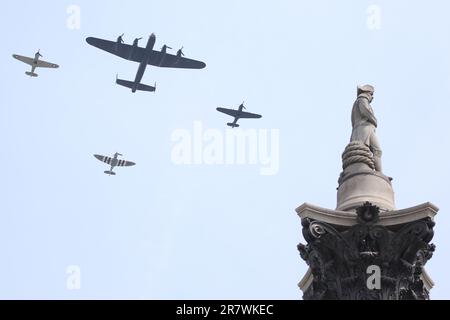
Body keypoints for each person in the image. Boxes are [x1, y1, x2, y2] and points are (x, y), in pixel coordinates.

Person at [350, 84, 383, 172]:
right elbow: (365, 111)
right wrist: (374, 120)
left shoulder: (360, 101)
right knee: (364, 151)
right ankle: (376, 172)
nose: (372, 97)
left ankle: (379, 173)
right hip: (363, 129)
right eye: (371, 94)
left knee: (377, 151)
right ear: (367, 93)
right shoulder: (362, 100)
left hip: (367, 128)